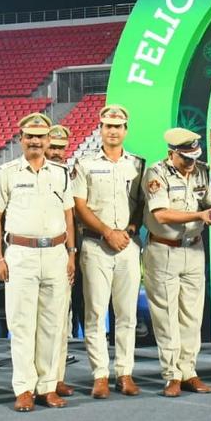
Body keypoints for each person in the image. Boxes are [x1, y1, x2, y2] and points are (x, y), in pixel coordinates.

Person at [0, 113, 76, 412]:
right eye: (30, 136)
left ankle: (48, 387)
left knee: (52, 324)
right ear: (21, 138)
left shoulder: (61, 173)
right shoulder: (6, 172)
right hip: (20, 254)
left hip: (56, 253)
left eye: (40, 136)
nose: (35, 141)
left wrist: (71, 253)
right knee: (22, 324)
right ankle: (24, 388)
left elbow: (68, 214)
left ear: (49, 139)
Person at [72, 105, 145, 399]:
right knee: (95, 313)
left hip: (127, 246)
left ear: (126, 130)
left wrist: (129, 229)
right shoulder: (85, 163)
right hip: (96, 245)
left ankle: (124, 373)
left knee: (127, 315)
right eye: (107, 126)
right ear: (100, 129)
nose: (112, 131)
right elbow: (79, 205)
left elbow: (142, 203)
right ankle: (100, 375)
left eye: (118, 126)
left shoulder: (138, 164)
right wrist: (107, 232)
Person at [142, 127, 211, 397]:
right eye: (186, 158)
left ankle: (189, 371)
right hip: (164, 250)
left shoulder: (203, 170)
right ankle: (171, 375)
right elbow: (161, 215)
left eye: (194, 157)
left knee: (192, 315)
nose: (191, 163)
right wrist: (201, 216)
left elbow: (210, 202)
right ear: (171, 154)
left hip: (194, 250)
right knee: (166, 317)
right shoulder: (156, 173)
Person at [44, 124, 78, 399]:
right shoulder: (17, 172)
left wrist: (72, 253)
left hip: (63, 253)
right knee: (35, 321)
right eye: (52, 147)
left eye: (60, 148)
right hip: (32, 254)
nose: (56, 153)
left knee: (61, 319)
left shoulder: (69, 174)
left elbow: (71, 217)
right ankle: (37, 378)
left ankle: (57, 377)